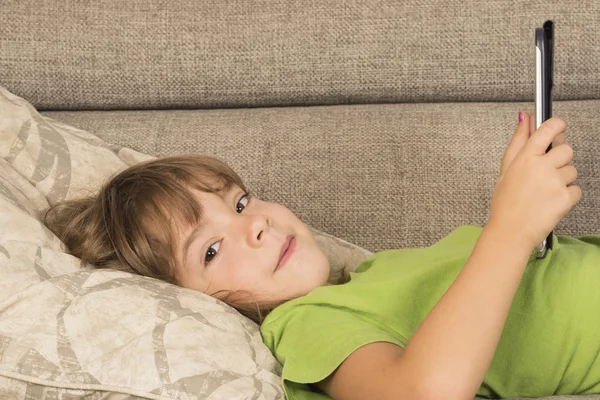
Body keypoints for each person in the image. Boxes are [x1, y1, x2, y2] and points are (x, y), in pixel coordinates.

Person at [43, 112, 596, 400]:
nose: (253, 224)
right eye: (210, 249)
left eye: (239, 202)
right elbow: (421, 392)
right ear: (189, 300)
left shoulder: (374, 273)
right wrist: (510, 227)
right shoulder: (304, 325)